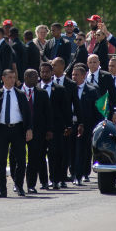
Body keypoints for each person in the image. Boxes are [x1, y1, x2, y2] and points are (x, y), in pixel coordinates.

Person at [0, 69, 33, 197]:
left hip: (17, 129)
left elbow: (27, 114)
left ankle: (19, 186)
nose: (12, 80)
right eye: (9, 77)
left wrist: (29, 129)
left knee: (21, 159)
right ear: (3, 78)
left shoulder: (20, 94)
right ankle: (2, 190)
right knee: (0, 161)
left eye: (14, 77)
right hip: (2, 130)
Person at [39, 61, 71, 189]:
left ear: (52, 73)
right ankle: (44, 181)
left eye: (47, 71)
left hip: (56, 128)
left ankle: (55, 179)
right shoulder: (36, 88)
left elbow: (66, 109)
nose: (45, 74)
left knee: (55, 155)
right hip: (40, 128)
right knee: (40, 155)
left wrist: (68, 126)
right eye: (42, 72)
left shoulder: (60, 89)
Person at [22, 68, 52, 193]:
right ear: (26, 78)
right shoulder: (19, 92)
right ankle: (17, 183)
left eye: (36, 76)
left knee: (34, 159)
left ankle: (31, 184)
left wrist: (49, 130)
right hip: (20, 131)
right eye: (33, 76)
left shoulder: (42, 93)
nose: (37, 78)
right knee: (17, 158)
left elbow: (48, 113)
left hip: (37, 131)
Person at [70, 62, 99, 184]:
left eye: (76, 75)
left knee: (82, 150)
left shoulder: (92, 90)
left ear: (83, 76)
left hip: (86, 124)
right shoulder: (68, 88)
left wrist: (95, 126)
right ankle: (73, 173)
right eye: (72, 75)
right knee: (71, 150)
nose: (74, 77)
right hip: (71, 123)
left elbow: (96, 110)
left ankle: (80, 174)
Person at [84, 53, 116, 119]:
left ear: (99, 63)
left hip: (102, 110)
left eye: (94, 62)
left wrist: (115, 112)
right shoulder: (84, 76)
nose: (92, 64)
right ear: (87, 64)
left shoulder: (106, 76)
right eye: (90, 62)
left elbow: (114, 95)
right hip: (88, 110)